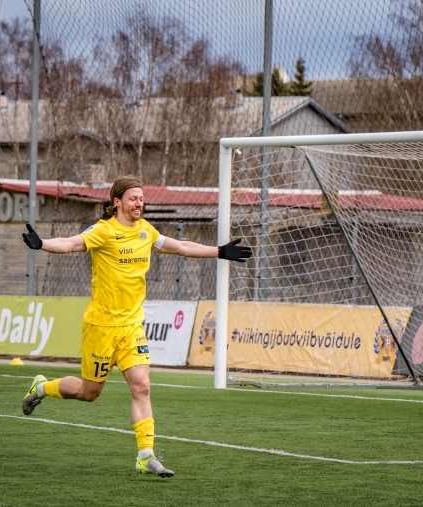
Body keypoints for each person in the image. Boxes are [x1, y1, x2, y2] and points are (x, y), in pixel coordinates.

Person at [19, 175, 252, 478]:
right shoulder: (104, 231)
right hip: (101, 328)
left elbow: (180, 246)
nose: (139, 203)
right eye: (133, 198)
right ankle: (41, 387)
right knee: (90, 392)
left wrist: (219, 251)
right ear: (117, 202)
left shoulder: (146, 231)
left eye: (141, 198)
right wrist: (42, 245)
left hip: (132, 327)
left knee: (142, 386)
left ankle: (145, 455)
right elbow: (71, 243)